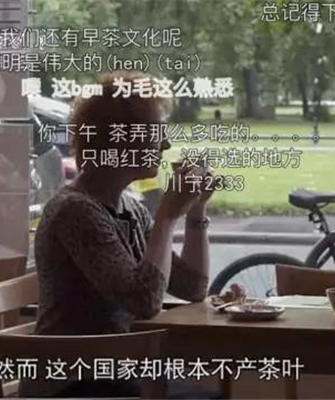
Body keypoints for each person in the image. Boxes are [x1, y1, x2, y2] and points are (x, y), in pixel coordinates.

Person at [19, 71, 215, 398]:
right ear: (120, 139)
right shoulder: (75, 211)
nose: (166, 144)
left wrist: (197, 210)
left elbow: (193, 287)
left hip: (110, 372)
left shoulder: (129, 209)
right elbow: (145, 300)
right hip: (71, 382)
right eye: (156, 131)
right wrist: (167, 215)